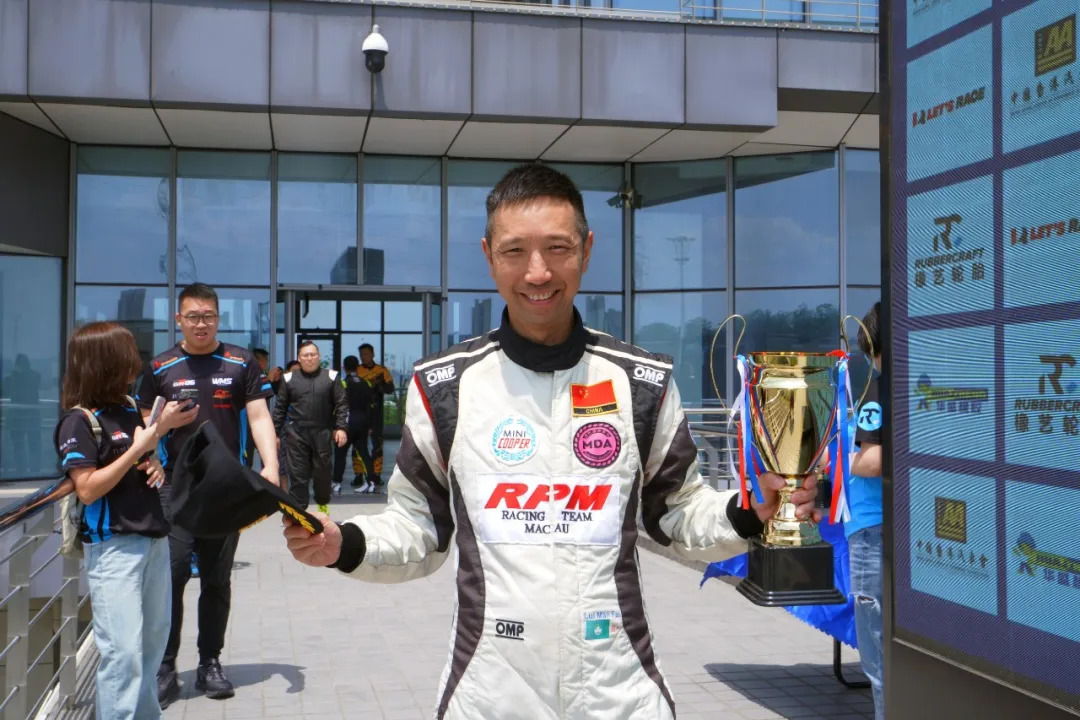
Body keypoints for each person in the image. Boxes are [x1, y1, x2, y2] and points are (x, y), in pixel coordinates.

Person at [282, 164, 821, 719]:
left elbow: (676, 516)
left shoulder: (642, 382)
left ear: (586, 250)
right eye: (515, 250)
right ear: (489, 255)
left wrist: (751, 510)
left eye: (557, 248)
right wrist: (345, 543)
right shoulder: (444, 386)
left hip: (620, 693)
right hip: (489, 695)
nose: (537, 272)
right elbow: (419, 528)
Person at [137, 283, 279, 707]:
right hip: (173, 488)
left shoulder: (240, 362)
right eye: (193, 317)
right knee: (173, 574)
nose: (201, 324)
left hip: (223, 488)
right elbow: (144, 421)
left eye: (209, 316)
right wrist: (151, 454)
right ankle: (165, 667)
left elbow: (259, 415)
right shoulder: (161, 367)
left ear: (218, 318)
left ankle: (209, 663)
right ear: (178, 320)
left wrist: (271, 466)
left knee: (216, 578)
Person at [54, 322, 197, 719]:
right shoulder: (78, 421)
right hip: (114, 547)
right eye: (128, 356)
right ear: (105, 363)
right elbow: (86, 488)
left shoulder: (131, 408)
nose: (136, 364)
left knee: (151, 646)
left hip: (153, 540)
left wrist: (153, 459)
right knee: (123, 654)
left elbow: (144, 458)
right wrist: (138, 448)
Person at [849, 301, 885, 720]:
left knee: (878, 658)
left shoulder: (877, 390)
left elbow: (872, 462)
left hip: (871, 532)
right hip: (891, 525)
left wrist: (838, 461)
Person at [272, 340, 348, 513]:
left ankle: (322, 504)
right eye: (305, 355)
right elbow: (280, 408)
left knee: (323, 473)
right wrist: (274, 434)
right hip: (296, 433)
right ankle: (299, 513)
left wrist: (341, 428)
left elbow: (341, 404)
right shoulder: (288, 379)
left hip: (322, 432)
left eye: (313, 354)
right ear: (299, 358)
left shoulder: (331, 377)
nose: (309, 358)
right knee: (298, 474)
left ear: (319, 356)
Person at [333, 355, 379, 495]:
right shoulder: (366, 383)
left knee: (340, 453)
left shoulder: (343, 383)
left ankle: (337, 483)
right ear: (357, 367)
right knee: (364, 452)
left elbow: (337, 404)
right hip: (363, 421)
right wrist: (370, 424)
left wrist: (336, 426)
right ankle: (371, 482)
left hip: (346, 422)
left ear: (344, 367)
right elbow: (371, 405)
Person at [355, 343, 394, 490]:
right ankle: (358, 475)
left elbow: (390, 389)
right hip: (360, 411)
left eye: (366, 354)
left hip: (376, 412)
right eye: (361, 354)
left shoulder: (382, 370)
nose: (363, 357)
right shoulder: (357, 370)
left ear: (372, 354)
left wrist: (379, 385)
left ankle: (376, 475)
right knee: (358, 444)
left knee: (377, 445)